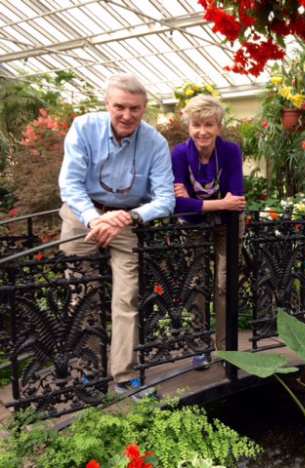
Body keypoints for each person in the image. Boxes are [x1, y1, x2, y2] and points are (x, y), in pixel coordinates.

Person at [58, 73, 175, 394]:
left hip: (125, 220)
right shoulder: (84, 127)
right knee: (82, 295)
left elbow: (166, 199)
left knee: (127, 296)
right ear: (107, 104)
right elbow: (70, 184)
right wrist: (95, 220)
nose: (127, 115)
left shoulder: (155, 142)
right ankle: (88, 370)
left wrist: (130, 216)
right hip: (82, 216)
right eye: (119, 107)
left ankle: (124, 374)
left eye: (134, 108)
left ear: (144, 108)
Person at [171, 94, 246, 355]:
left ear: (219, 127)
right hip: (193, 226)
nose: (202, 131)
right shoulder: (179, 154)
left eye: (209, 125)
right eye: (196, 125)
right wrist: (221, 203)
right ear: (189, 127)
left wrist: (194, 201)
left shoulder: (230, 151)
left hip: (228, 225)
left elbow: (237, 199)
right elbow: (178, 205)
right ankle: (199, 347)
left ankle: (225, 347)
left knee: (225, 285)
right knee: (196, 285)